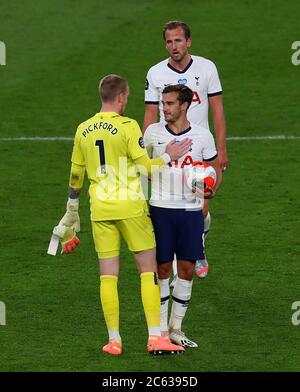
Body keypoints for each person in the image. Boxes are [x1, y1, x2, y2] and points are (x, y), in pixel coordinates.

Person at [56, 74, 193, 356]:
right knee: (148, 271)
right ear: (120, 97)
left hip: (101, 210)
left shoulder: (83, 129)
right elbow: (146, 169)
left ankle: (114, 340)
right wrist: (168, 155)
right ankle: (155, 337)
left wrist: (71, 209)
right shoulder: (128, 126)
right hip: (131, 207)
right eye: (127, 97)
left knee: (108, 276)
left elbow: (76, 174)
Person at [143, 20, 227, 280]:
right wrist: (147, 153)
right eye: (169, 41)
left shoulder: (207, 68)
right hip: (168, 147)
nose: (174, 46)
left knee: (200, 207)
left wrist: (221, 150)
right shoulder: (155, 73)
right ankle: (172, 261)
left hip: (199, 148)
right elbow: (149, 114)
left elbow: (217, 110)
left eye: (178, 40)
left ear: (188, 41)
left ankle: (197, 248)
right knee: (167, 204)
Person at [144, 84, 222, 347]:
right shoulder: (153, 133)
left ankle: (176, 328)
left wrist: (212, 190)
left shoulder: (202, 135)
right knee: (163, 269)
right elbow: (143, 167)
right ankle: (161, 332)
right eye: (162, 103)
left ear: (185, 105)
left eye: (169, 104)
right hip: (161, 208)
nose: (163, 108)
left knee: (187, 270)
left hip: (190, 210)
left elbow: (213, 167)